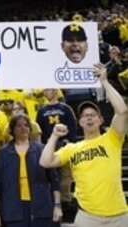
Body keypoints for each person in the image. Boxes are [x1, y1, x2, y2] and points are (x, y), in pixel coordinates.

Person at [40, 63, 128, 226]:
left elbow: (122, 111)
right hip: (87, 217)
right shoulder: (72, 148)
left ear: (101, 120)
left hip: (119, 215)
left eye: (93, 115)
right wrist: (53, 136)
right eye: (84, 115)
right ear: (79, 122)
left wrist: (105, 82)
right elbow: (45, 162)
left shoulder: (112, 138)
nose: (88, 117)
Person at [0, 114, 62, 227]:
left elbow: (54, 180)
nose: (23, 128)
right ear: (12, 130)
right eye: (19, 126)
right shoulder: (3, 153)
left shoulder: (42, 149)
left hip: (41, 206)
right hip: (13, 209)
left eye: (26, 125)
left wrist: (57, 205)